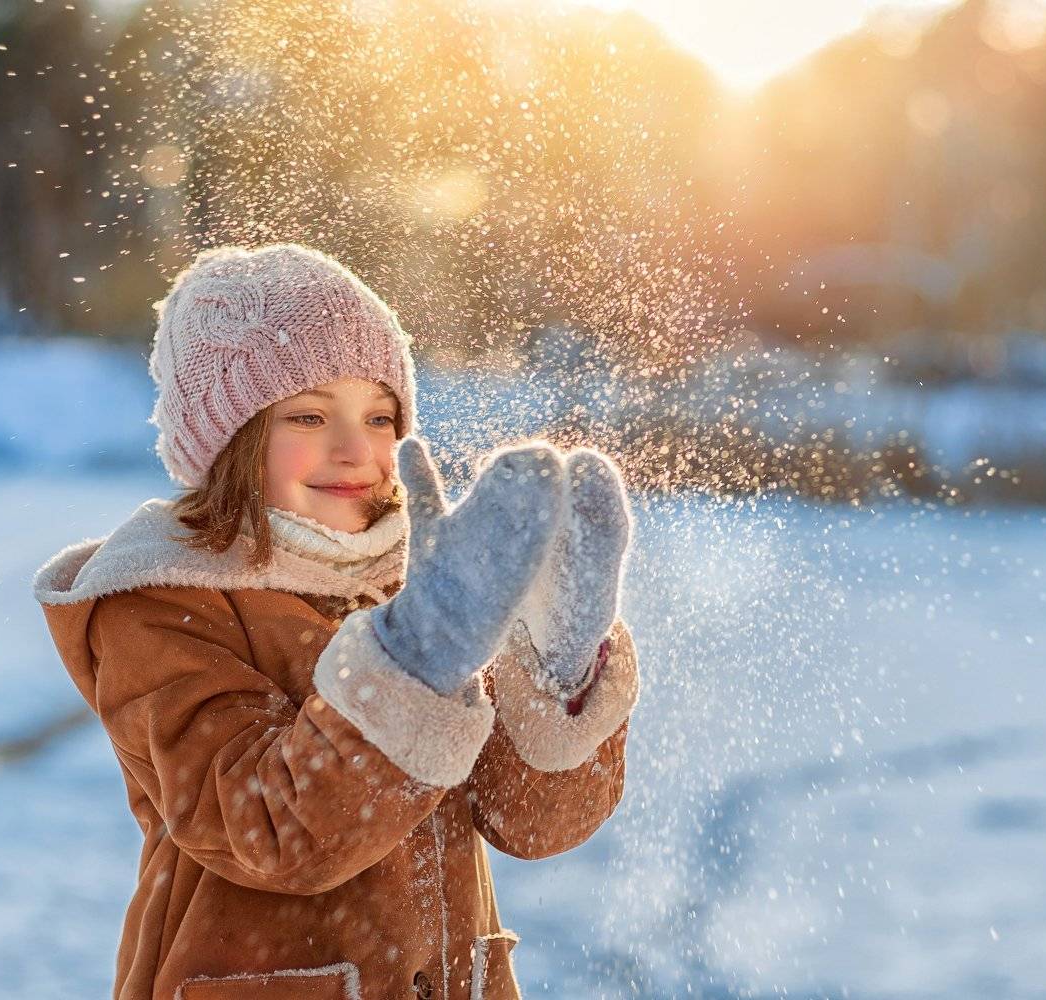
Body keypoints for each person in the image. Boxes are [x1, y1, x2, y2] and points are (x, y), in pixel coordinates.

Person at [32, 244, 641, 1000]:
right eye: (309, 415)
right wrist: (413, 660)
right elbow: (268, 831)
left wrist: (556, 659)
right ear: (227, 438)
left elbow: (533, 823)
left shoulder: (421, 583)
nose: (355, 450)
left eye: (379, 416)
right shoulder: (160, 602)